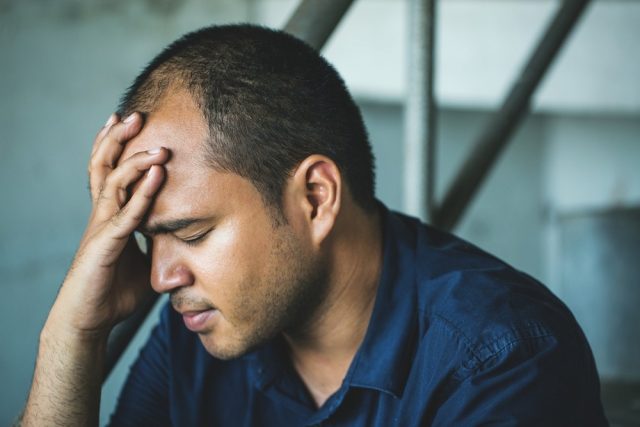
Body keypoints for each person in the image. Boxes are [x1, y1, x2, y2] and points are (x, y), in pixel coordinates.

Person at [22, 24, 608, 426]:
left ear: (315, 196)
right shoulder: (200, 332)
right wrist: (73, 335)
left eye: (193, 234)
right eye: (152, 239)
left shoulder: (502, 359)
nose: (160, 278)